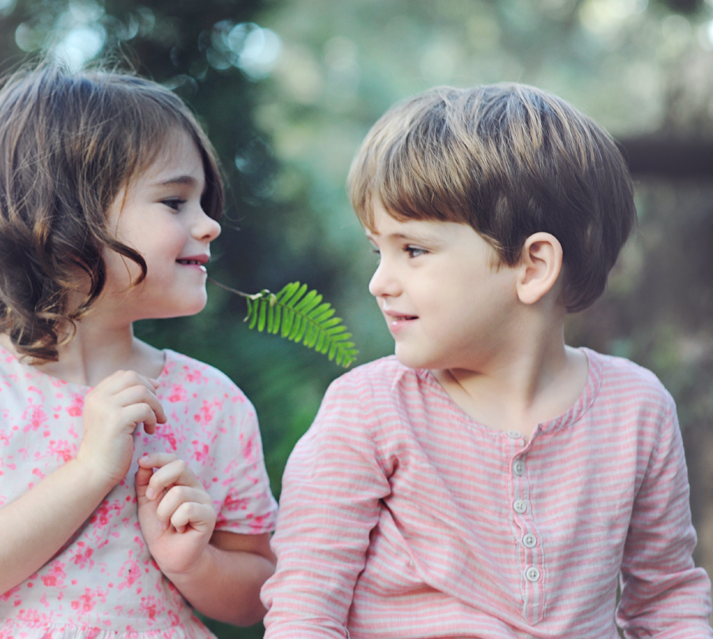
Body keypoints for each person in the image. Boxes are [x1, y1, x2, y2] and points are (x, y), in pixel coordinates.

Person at [261, 83, 713, 638]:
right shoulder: (369, 410)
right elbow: (305, 605)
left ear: (532, 268)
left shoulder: (636, 409)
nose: (380, 282)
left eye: (414, 250)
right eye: (378, 251)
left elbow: (666, 599)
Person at [0, 62, 278, 639]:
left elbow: (259, 594)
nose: (210, 225)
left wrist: (195, 563)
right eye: (174, 202)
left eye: (204, 203)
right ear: (63, 219)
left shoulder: (213, 404)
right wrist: (91, 469)